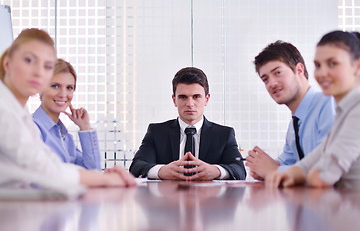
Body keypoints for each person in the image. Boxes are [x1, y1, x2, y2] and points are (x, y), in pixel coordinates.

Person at [0, 28, 136, 188]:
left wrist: (85, 128)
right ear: (8, 63)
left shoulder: (28, 118)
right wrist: (105, 179)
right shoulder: (7, 111)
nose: (38, 72)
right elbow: (45, 170)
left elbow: (77, 167)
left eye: (47, 66)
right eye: (29, 60)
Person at [266, 30, 360, 188]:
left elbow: (322, 175)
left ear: (357, 66)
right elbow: (319, 155)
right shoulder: (345, 110)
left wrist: (296, 173)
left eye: (333, 63)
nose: (322, 73)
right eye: (318, 65)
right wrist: (294, 172)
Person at [129, 67, 246, 180]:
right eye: (183, 97)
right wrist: (161, 171)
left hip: (209, 198)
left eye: (196, 97)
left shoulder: (224, 134)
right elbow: (136, 167)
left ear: (206, 99)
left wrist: (215, 171)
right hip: (168, 198)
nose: (190, 104)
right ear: (174, 100)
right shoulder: (157, 132)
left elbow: (239, 170)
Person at [245, 41, 335, 180]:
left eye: (278, 73)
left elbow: (329, 167)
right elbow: (287, 162)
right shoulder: (294, 125)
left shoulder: (328, 104)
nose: (272, 83)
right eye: (265, 79)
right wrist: (264, 167)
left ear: (299, 69)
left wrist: (275, 170)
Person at [33, 59, 100, 170]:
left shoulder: (65, 136)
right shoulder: (31, 129)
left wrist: (85, 127)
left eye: (69, 88)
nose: (63, 94)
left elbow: (93, 170)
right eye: (55, 86)